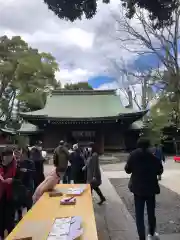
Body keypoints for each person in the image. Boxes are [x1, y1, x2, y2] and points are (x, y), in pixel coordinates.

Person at [125, 138, 163, 240]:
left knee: (139, 214)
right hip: (151, 188)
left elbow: (127, 170)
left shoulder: (133, 155)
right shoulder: (153, 156)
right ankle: (151, 233)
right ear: (148, 145)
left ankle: (141, 237)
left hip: (138, 189)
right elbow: (160, 170)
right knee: (151, 212)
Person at [0, 147, 17, 239]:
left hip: (11, 195)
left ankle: (11, 235)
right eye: (6, 156)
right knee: (1, 217)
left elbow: (20, 178)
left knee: (9, 219)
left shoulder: (15, 165)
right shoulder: (1, 165)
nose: (8, 158)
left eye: (10, 156)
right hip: (1, 194)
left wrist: (13, 180)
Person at [15, 147, 35, 221]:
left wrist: (27, 170)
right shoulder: (18, 162)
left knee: (28, 201)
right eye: (22, 153)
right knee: (19, 201)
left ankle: (29, 216)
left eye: (24, 153)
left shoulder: (30, 162)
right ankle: (19, 216)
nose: (22, 155)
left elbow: (33, 172)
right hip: (21, 184)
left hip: (28, 183)